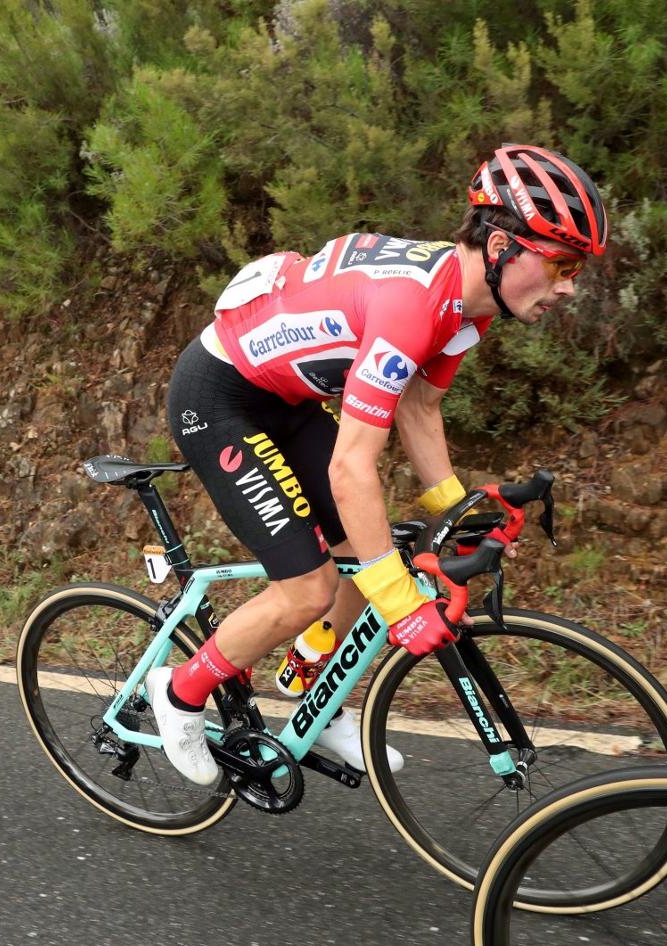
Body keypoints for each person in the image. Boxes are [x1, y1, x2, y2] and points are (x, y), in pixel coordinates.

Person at [150, 144, 609, 784]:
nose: (568, 285)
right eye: (561, 263)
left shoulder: (466, 307)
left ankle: (317, 694)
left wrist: (453, 509)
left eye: (577, 269)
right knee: (312, 586)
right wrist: (399, 602)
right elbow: (350, 469)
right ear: (502, 246)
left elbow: (420, 408)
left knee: (364, 554)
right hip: (219, 396)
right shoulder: (413, 309)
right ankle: (178, 693)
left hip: (289, 400)